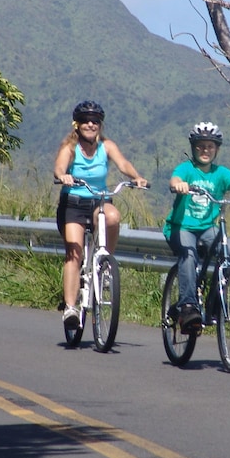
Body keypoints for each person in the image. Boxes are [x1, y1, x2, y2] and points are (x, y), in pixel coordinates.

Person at [164, 121, 230, 335]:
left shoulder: (220, 173)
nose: (205, 150)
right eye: (201, 146)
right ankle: (187, 307)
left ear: (217, 150)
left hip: (207, 227)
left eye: (210, 146)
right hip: (181, 227)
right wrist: (178, 185)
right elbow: (174, 179)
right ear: (194, 147)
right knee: (188, 255)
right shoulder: (186, 169)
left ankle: (214, 304)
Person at [54, 100, 148, 331]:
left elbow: (123, 163)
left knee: (113, 216)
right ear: (77, 124)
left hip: (99, 200)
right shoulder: (70, 147)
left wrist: (136, 177)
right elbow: (59, 167)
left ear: (100, 125)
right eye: (85, 121)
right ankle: (70, 308)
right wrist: (63, 176)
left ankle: (105, 264)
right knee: (74, 254)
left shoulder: (107, 146)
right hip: (73, 203)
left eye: (95, 121)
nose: (90, 124)